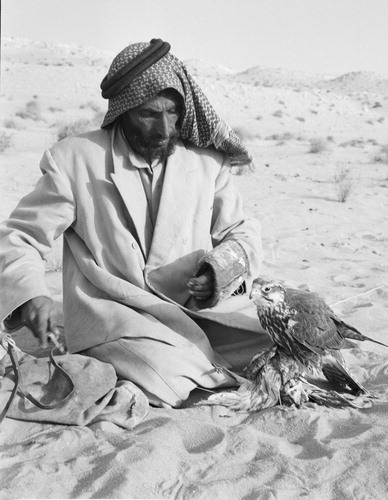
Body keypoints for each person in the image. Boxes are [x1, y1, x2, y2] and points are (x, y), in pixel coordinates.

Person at [0, 39, 270, 408]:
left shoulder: (207, 163)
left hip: (194, 311)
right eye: (149, 114)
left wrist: (220, 270)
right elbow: (20, 237)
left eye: (173, 113)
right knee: (173, 376)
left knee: (281, 340)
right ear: (124, 110)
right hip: (116, 317)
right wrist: (33, 297)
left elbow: (242, 231)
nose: (164, 129)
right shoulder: (75, 160)